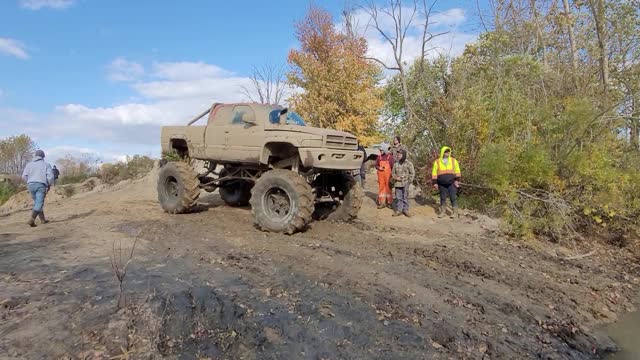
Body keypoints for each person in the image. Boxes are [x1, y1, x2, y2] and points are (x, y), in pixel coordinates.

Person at [21, 149, 54, 227]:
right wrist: (49, 184)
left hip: (30, 185)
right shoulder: (46, 164)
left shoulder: (29, 164)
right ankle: (32, 219)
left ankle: (42, 219)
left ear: (35, 156)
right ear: (43, 157)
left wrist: (29, 182)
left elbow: (24, 176)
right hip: (41, 185)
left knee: (37, 203)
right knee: (39, 203)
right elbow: (51, 177)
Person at [431, 146, 461, 218]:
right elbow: (434, 172)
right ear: (442, 152)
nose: (447, 153)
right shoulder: (437, 162)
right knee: (442, 198)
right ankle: (443, 212)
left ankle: (455, 213)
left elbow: (458, 171)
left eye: (448, 151)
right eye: (445, 152)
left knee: (453, 197)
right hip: (441, 183)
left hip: (452, 183)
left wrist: (457, 180)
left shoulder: (454, 160)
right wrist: (435, 183)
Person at [392, 149, 415, 217]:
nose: (398, 156)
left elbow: (412, 173)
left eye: (400, 155)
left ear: (404, 155)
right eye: (398, 155)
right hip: (397, 183)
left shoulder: (409, 163)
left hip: (406, 183)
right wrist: (396, 178)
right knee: (398, 197)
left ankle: (406, 210)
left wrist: (408, 182)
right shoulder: (396, 163)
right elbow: (393, 173)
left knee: (405, 197)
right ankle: (399, 210)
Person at [375, 143, 394, 209]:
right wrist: (378, 168)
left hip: (388, 175)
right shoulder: (379, 157)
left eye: (382, 150)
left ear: (385, 149)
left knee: (388, 188)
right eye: (380, 150)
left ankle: (389, 203)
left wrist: (392, 176)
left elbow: (393, 167)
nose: (381, 151)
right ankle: (382, 203)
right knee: (381, 188)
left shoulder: (390, 157)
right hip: (381, 176)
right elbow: (376, 165)